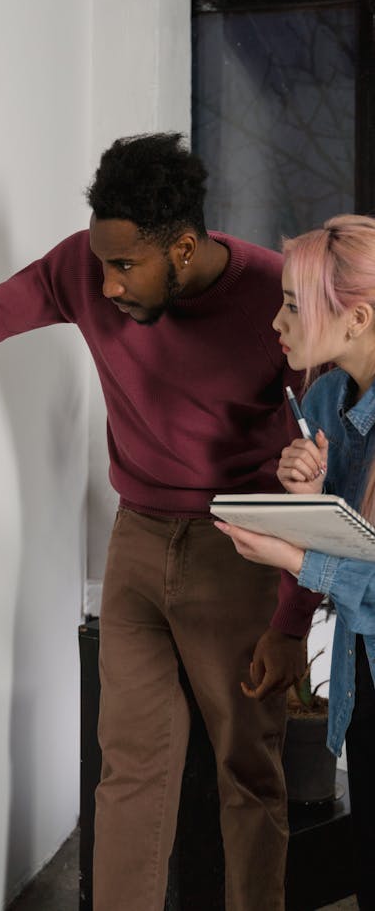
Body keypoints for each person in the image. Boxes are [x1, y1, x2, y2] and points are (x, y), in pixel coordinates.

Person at [0, 132, 321, 911]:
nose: (108, 284)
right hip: (136, 541)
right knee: (129, 767)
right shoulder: (85, 268)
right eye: (101, 262)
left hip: (238, 549)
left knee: (247, 768)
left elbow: (319, 464)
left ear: (184, 249)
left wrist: (293, 621)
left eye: (127, 266)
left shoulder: (274, 298)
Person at [215, 214, 375, 911]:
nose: (277, 323)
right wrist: (308, 497)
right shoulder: (325, 399)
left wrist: (290, 549)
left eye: (292, 304)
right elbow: (353, 541)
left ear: (357, 316)